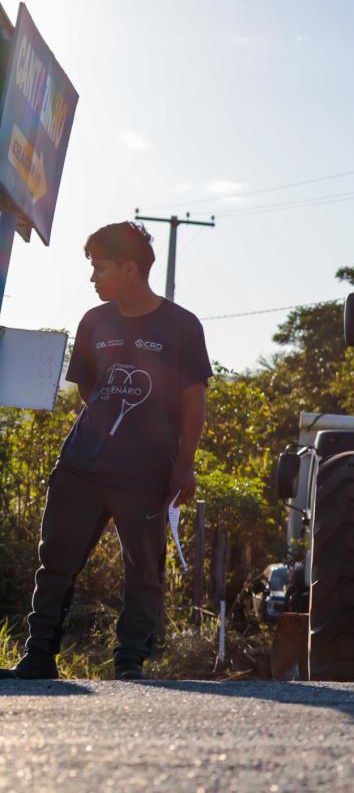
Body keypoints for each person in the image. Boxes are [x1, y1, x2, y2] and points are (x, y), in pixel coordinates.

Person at [1, 222, 211, 681]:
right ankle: (38, 658)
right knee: (55, 561)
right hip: (82, 466)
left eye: (100, 267)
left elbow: (195, 403)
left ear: (130, 268)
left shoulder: (182, 326)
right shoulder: (94, 321)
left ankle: (129, 663)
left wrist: (184, 467)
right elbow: (88, 390)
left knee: (143, 572)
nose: (93, 277)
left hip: (146, 475)